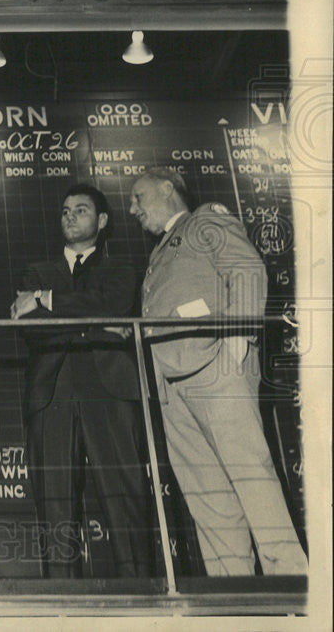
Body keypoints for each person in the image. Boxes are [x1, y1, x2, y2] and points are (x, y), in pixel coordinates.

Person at [129, 167, 307, 576]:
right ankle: (232, 588)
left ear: (167, 188)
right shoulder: (159, 251)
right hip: (173, 382)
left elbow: (244, 267)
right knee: (206, 492)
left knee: (250, 475)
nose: (133, 208)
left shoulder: (205, 219)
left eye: (139, 197)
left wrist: (239, 339)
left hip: (215, 367)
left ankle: (290, 580)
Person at [10, 184, 154, 578]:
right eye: (65, 211)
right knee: (54, 506)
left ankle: (141, 597)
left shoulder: (121, 269)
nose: (70, 216)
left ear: (102, 221)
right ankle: (60, 604)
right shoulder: (35, 273)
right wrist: (101, 326)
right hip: (51, 393)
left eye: (81, 210)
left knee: (125, 499)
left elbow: (117, 304)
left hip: (110, 392)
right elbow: (32, 330)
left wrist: (49, 301)